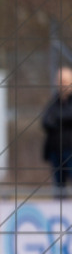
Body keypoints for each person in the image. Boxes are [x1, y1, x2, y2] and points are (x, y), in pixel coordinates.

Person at [42, 66, 72, 198]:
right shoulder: (54, 101)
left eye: (64, 81)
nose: (62, 85)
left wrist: (58, 119)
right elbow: (45, 121)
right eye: (59, 81)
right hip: (56, 151)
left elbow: (66, 116)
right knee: (58, 187)